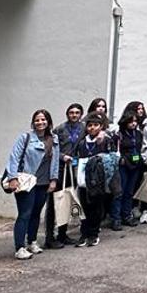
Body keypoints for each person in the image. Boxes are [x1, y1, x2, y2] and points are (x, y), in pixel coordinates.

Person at [5, 109, 60, 259]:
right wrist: (12, 177)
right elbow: (14, 157)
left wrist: (54, 179)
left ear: (48, 122)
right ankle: (20, 247)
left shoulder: (54, 139)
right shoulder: (26, 138)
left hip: (43, 182)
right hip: (25, 182)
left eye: (43, 120)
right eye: (37, 120)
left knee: (36, 213)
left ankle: (32, 242)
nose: (40, 122)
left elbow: (55, 161)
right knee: (25, 213)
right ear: (33, 122)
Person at [45, 101, 84, 248]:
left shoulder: (83, 128)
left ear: (80, 115)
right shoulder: (59, 129)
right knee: (54, 203)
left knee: (67, 201)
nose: (74, 115)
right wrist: (62, 157)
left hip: (73, 169)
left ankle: (62, 234)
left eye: (77, 113)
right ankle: (49, 236)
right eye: (71, 113)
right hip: (59, 169)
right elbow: (52, 149)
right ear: (67, 114)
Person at [76, 113, 115, 246]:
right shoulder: (82, 143)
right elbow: (77, 157)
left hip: (98, 179)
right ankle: (84, 233)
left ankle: (93, 233)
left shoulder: (106, 140)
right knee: (84, 206)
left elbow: (112, 157)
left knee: (96, 207)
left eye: (95, 125)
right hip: (83, 179)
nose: (92, 128)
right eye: (90, 125)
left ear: (101, 126)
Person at [116, 102, 146, 226]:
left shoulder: (138, 134)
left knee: (130, 191)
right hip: (124, 164)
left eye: (135, 121)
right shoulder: (120, 134)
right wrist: (121, 158)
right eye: (130, 121)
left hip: (135, 164)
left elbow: (140, 147)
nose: (133, 124)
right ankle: (116, 217)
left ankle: (127, 215)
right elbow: (117, 149)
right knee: (120, 191)